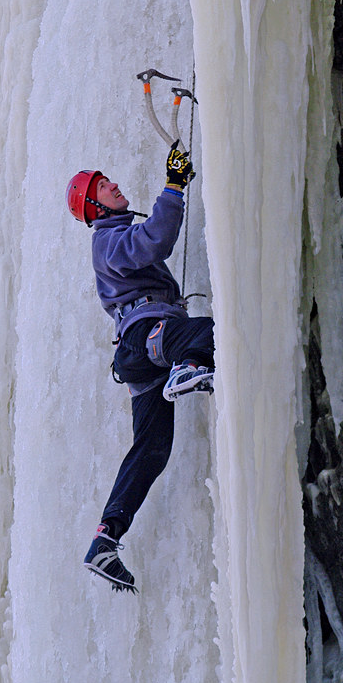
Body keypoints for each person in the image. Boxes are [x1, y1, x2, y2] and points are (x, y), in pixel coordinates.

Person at [65, 144, 215, 593]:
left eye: (108, 180)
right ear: (94, 206)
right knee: (213, 333)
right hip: (147, 336)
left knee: (151, 450)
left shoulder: (111, 240)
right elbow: (155, 239)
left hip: (137, 354)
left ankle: (106, 538)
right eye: (103, 187)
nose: (113, 185)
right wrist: (172, 186)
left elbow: (148, 239)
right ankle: (186, 367)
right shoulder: (107, 241)